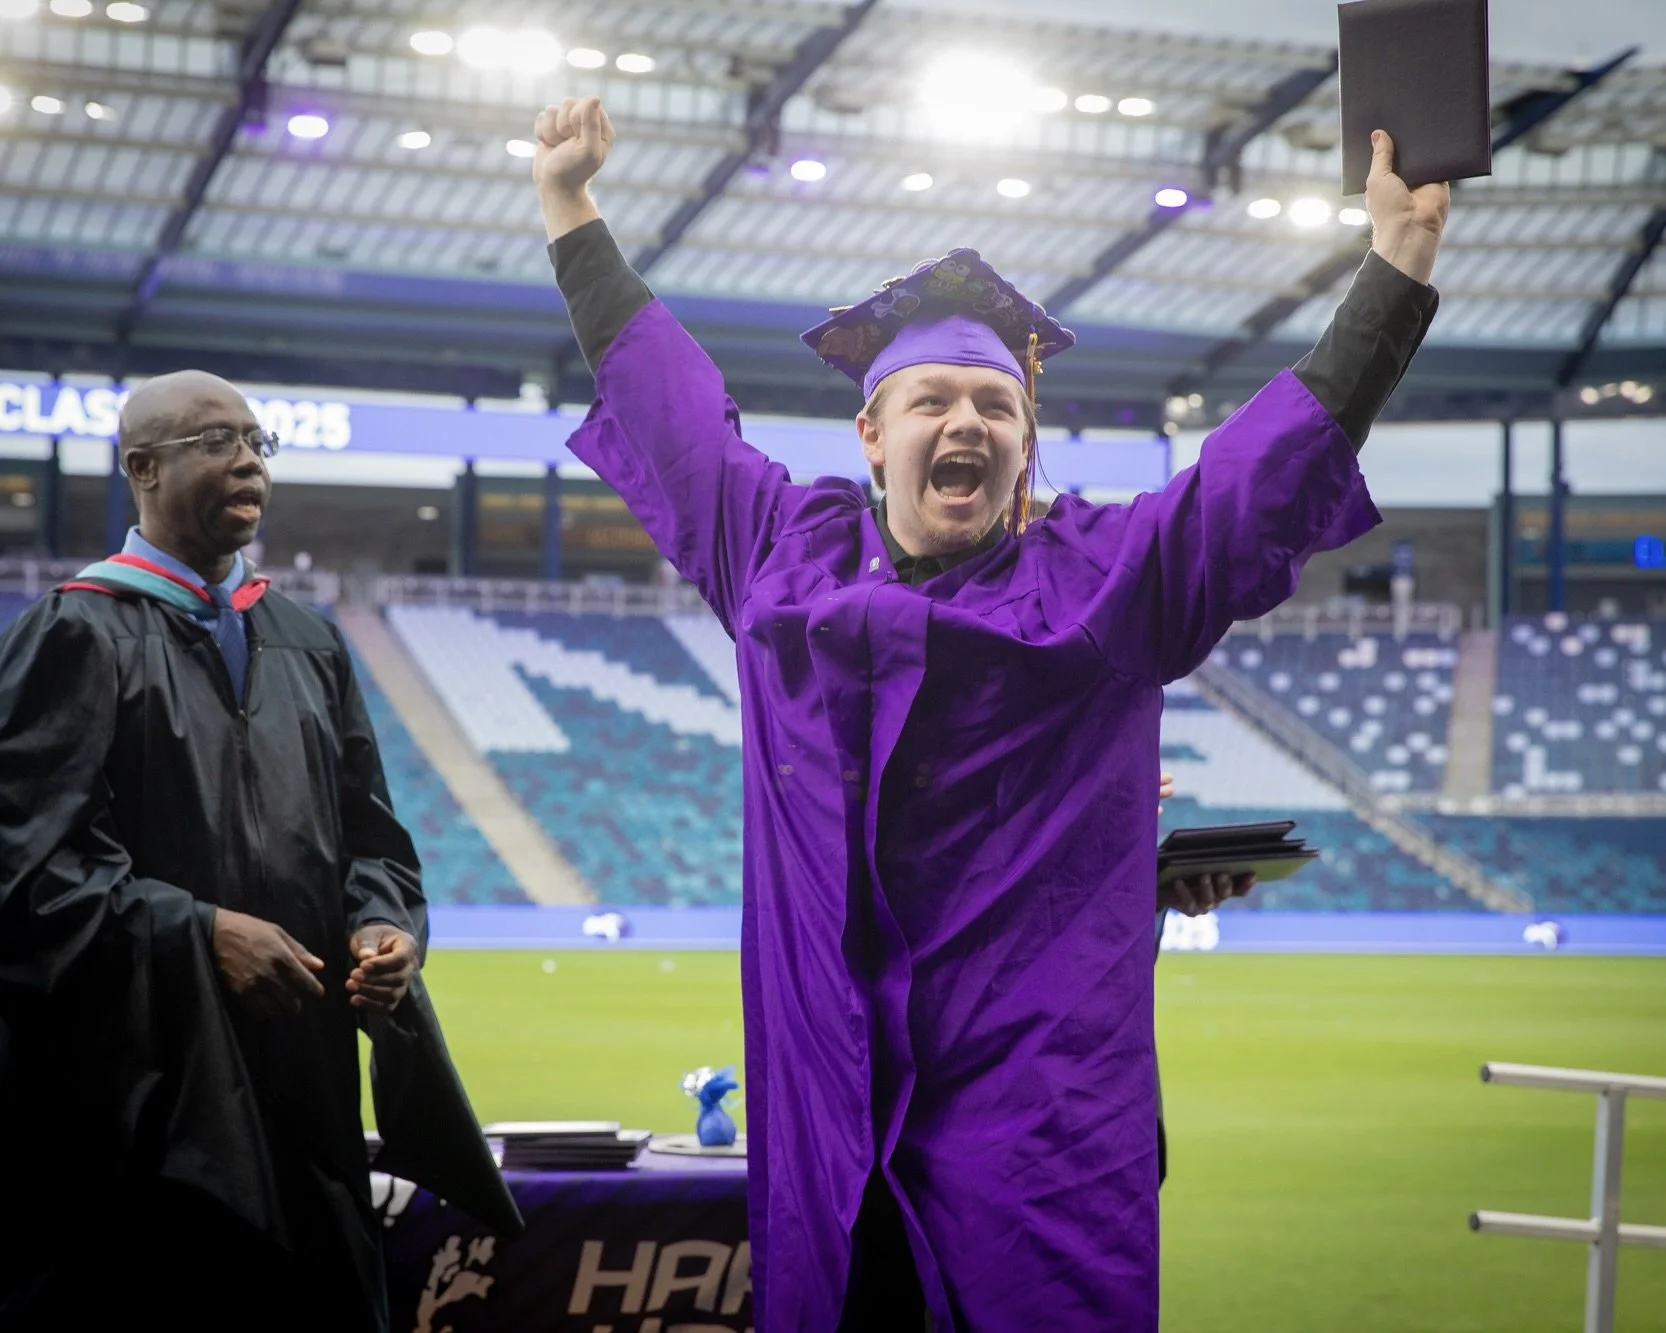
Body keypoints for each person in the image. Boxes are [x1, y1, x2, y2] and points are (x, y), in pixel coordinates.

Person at [532, 94, 1447, 1331]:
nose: (965, 420)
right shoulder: (772, 555)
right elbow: (668, 408)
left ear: (1027, 439)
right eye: (931, 401)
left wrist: (1394, 267)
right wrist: (571, 208)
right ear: (871, 433)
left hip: (1035, 1117)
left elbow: (1256, 474)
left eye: (994, 404)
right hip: (829, 1100)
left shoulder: (1107, 582)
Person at [0, 372, 518, 1331]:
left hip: (305, 1097)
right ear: (141, 469)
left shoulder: (307, 641)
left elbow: (376, 842)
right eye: (213, 441)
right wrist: (198, 934)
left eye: (257, 441)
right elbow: (27, 874)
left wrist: (383, 925)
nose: (247, 459)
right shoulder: (75, 631)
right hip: (142, 1118)